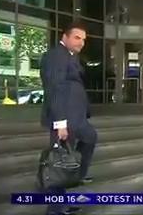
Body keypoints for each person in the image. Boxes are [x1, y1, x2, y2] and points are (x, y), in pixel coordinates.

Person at [40, 21, 97, 215]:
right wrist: (60, 123)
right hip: (64, 119)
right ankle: (55, 209)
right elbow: (55, 90)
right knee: (59, 163)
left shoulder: (70, 57)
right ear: (64, 36)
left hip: (76, 119)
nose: (81, 42)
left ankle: (69, 188)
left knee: (88, 140)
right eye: (77, 37)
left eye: (83, 39)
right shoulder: (56, 56)